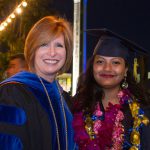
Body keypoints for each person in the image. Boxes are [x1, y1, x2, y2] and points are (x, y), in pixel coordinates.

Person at [0, 16, 76, 150]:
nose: (52, 53)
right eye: (44, 44)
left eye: (59, 45)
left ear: (67, 52)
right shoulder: (13, 93)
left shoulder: (64, 100)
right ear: (32, 49)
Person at [72, 28, 150, 150]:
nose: (107, 68)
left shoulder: (143, 111)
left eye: (116, 63)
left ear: (125, 71)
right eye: (100, 61)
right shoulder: (75, 107)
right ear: (93, 67)